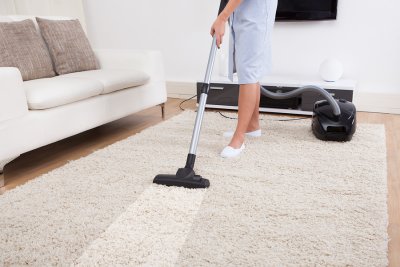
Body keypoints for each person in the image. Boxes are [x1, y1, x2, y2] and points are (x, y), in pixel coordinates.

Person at [211, 0, 278, 158]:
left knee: (248, 72)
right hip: (243, 11)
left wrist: (222, 18)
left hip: (256, 12)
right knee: (249, 71)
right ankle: (252, 126)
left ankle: (239, 137)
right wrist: (222, 16)